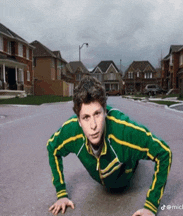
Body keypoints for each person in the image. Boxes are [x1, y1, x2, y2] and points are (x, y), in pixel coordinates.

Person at [47, 75, 172, 216]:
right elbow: (52, 147)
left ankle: (133, 158)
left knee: (131, 151)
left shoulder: (125, 131)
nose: (93, 125)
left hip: (126, 173)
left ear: (105, 112)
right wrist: (61, 193)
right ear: (79, 121)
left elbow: (164, 152)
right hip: (103, 177)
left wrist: (151, 206)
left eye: (97, 114)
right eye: (86, 117)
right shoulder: (71, 131)